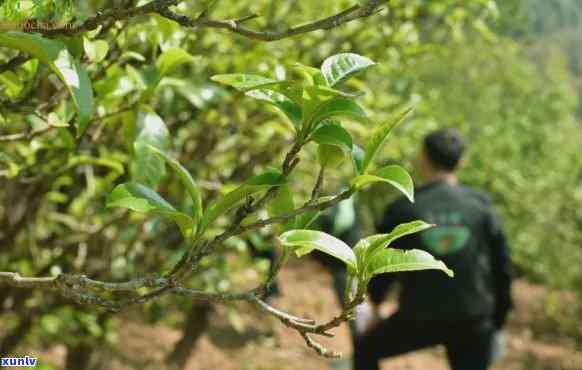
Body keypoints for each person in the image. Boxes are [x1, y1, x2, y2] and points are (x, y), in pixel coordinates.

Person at [353, 128, 513, 370]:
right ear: (462, 161)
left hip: (419, 316)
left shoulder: (404, 207)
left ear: (424, 159)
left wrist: (374, 304)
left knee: (366, 349)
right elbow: (502, 266)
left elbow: (382, 263)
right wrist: (498, 319)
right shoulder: (481, 206)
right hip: (473, 317)